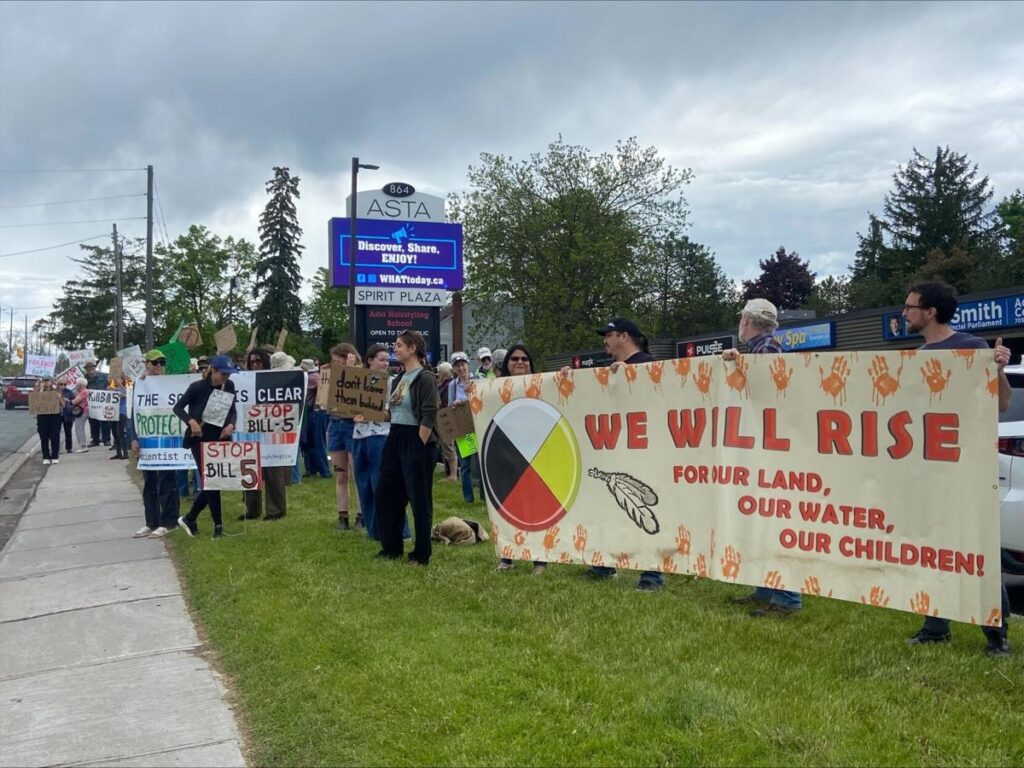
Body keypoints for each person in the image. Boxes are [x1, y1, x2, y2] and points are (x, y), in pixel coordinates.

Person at [900, 281, 1012, 655]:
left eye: (910, 306)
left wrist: (997, 370)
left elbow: (1001, 404)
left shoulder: (972, 348)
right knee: (932, 547)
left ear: (930, 311)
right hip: (928, 470)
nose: (905, 313)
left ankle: (996, 634)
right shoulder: (917, 355)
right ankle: (935, 626)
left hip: (967, 470)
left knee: (975, 549)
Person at [568, 318, 664, 592]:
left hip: (645, 449)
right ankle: (604, 563)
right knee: (610, 506)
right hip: (616, 448)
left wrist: (635, 377)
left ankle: (652, 574)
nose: (605, 341)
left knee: (647, 510)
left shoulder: (648, 364)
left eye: (609, 335)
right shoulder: (609, 370)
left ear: (624, 336)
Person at [722, 299, 803, 616]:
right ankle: (766, 589)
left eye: (741, 319)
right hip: (765, 446)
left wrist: (740, 366)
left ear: (748, 321)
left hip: (770, 450)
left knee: (774, 524)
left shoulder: (766, 350)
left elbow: (764, 395)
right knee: (762, 522)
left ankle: (787, 599)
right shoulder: (762, 349)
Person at [375, 330, 440, 566]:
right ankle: (391, 547)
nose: (395, 348)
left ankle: (421, 553)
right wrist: (368, 416)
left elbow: (429, 413)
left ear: (413, 348)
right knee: (386, 493)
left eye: (400, 345)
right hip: (395, 437)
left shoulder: (425, 377)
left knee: (419, 498)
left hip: (417, 440)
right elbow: (392, 413)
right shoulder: (398, 379)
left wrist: (420, 443)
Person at [495, 344, 548, 575]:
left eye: (524, 359)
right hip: (505, 456)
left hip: (535, 455)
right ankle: (507, 557)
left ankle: (539, 560)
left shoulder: (543, 385)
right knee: (506, 508)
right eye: (514, 358)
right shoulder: (494, 389)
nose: (519, 362)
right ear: (506, 363)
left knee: (535, 510)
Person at [175, 354, 239, 539]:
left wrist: (231, 425)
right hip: (200, 439)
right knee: (212, 481)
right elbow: (178, 408)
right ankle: (218, 527)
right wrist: (191, 422)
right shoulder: (197, 387)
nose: (226, 378)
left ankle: (190, 518)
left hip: (221, 438)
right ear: (214, 370)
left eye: (229, 374)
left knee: (217, 479)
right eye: (223, 374)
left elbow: (232, 409)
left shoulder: (230, 386)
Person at [129, 349, 179, 538]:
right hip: (147, 439)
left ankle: (169, 521)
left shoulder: (170, 384)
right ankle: (151, 521)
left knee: (167, 479)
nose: (159, 366)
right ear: (147, 364)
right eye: (155, 363)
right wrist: (133, 437)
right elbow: (134, 413)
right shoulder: (140, 386)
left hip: (166, 438)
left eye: (162, 363)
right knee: (149, 481)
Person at [352, 344, 400, 539]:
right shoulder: (358, 381)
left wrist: (372, 413)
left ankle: (397, 530)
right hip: (359, 436)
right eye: (382, 359)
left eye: (387, 360)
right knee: (364, 486)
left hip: (380, 436)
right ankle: (374, 531)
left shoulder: (392, 383)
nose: (385, 363)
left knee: (380, 485)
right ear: (369, 360)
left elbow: (393, 413)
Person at [239, 347, 290, 521]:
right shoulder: (243, 380)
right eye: (251, 362)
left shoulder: (274, 379)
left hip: (271, 430)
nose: (254, 365)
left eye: (258, 361)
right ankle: (252, 509)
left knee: (273, 471)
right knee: (249, 469)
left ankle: (276, 510)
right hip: (250, 430)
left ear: (265, 362)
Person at [327, 343, 360, 530]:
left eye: (338, 361)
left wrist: (350, 368)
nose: (335, 364)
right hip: (335, 425)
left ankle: (361, 515)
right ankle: (342, 515)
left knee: (356, 474)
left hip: (351, 426)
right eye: (334, 362)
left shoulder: (358, 374)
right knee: (340, 475)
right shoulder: (330, 377)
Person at [449, 351, 483, 502]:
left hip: (479, 425)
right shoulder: (452, 385)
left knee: (482, 463)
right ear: (454, 369)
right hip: (463, 427)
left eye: (463, 365)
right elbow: (449, 407)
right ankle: (468, 498)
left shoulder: (478, 380)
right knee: (466, 465)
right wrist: (454, 405)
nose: (461, 369)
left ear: (468, 365)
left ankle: (484, 497)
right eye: (457, 366)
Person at [301, 358, 331, 479]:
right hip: (312, 411)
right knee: (310, 441)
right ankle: (312, 469)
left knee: (316, 442)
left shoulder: (312, 377)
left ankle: (324, 470)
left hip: (314, 412)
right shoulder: (314, 376)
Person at [435, 361, 458, 482]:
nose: (437, 374)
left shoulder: (449, 385)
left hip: (447, 418)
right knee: (445, 446)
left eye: (439, 372)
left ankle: (453, 475)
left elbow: (444, 403)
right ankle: (448, 472)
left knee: (448, 445)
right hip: (442, 418)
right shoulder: (443, 384)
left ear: (444, 373)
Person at [33, 378, 63, 466]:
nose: (46, 383)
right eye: (44, 381)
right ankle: (46, 456)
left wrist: (59, 398)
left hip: (55, 417)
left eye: (48, 381)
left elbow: (63, 405)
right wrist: (41, 389)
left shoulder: (56, 391)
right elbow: (35, 403)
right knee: (44, 437)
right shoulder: (38, 391)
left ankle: (55, 456)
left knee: (55, 437)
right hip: (43, 417)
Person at [84, 360, 110, 447]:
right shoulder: (84, 378)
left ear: (94, 367)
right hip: (91, 404)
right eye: (88, 367)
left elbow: (110, 384)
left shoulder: (103, 376)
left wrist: (110, 389)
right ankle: (95, 440)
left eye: (92, 367)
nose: (90, 368)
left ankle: (106, 440)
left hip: (103, 402)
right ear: (86, 369)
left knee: (105, 422)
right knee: (93, 422)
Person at [110, 374, 130, 460]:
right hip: (112, 413)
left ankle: (125, 452)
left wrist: (121, 384)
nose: (118, 380)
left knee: (120, 433)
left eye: (120, 379)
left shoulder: (126, 387)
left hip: (122, 412)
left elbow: (128, 393)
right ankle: (118, 452)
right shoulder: (113, 388)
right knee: (115, 433)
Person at [71, 377, 90, 452]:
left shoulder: (84, 392)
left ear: (80, 384)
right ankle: (82, 445)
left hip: (82, 411)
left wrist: (71, 401)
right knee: (79, 428)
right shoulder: (83, 391)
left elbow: (75, 401)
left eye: (77, 384)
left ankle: (83, 445)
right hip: (83, 411)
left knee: (79, 428)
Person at [60, 379, 75, 454]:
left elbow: (74, 402)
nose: (62, 386)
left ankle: (69, 448)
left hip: (68, 414)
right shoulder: (54, 392)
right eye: (61, 384)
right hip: (57, 415)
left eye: (64, 384)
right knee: (55, 433)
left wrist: (68, 400)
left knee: (68, 432)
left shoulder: (69, 391)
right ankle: (56, 448)